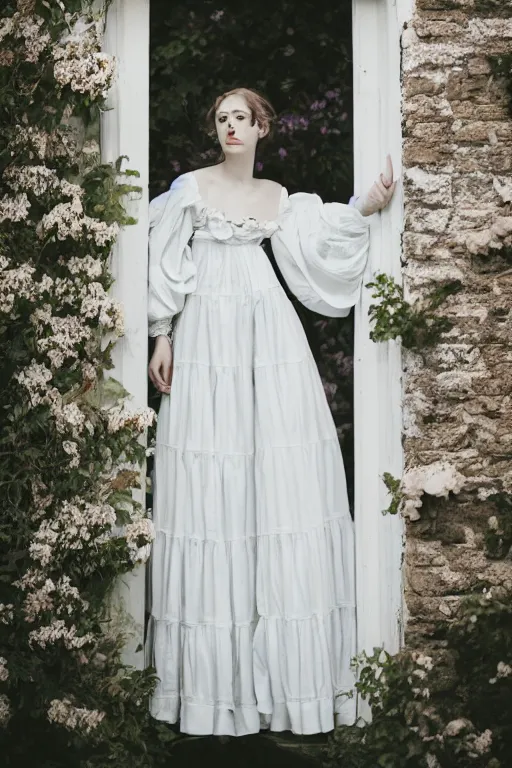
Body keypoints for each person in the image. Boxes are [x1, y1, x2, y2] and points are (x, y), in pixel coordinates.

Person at [145, 87, 396, 737]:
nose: (231, 126)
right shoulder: (190, 190)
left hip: (266, 332)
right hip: (205, 334)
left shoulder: (280, 199)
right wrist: (162, 332)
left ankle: (290, 688)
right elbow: (162, 261)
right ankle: (210, 691)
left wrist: (366, 204)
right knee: (211, 480)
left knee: (275, 479)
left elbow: (323, 242)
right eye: (222, 118)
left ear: (262, 128)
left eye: (242, 118)